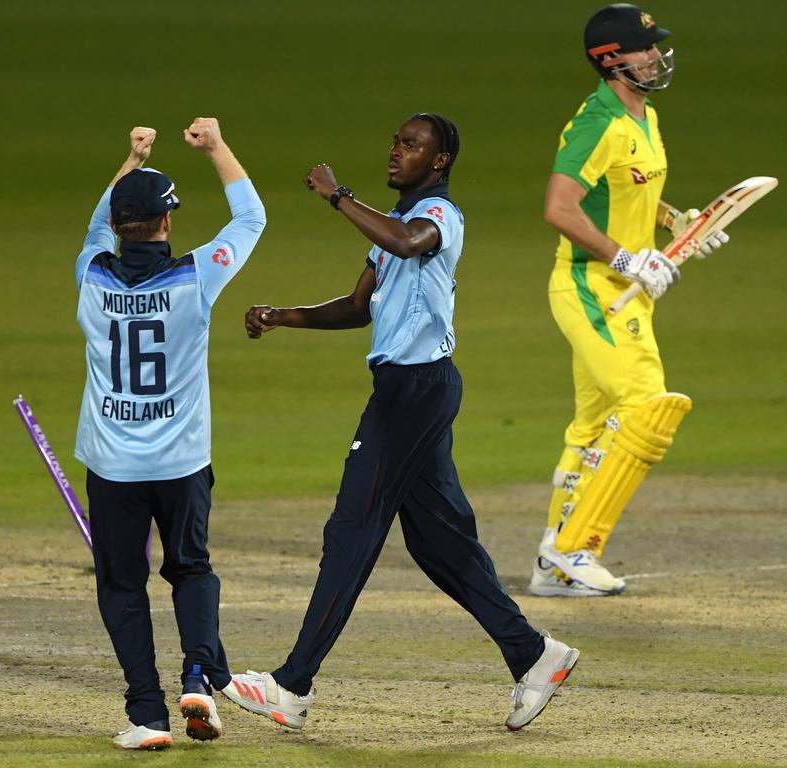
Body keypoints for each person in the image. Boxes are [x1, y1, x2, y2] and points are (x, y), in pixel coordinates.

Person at [223, 113, 579, 732]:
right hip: (412, 390)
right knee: (439, 543)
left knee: (352, 530)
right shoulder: (390, 229)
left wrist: (338, 196)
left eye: (412, 146)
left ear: (439, 162)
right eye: (395, 141)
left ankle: (290, 687)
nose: (397, 152)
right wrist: (284, 315)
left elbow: (408, 243)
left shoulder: (440, 216)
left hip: (414, 394)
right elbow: (358, 307)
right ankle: (533, 653)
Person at [74, 118, 266, 748]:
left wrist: (130, 159)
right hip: (183, 461)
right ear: (166, 224)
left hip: (111, 466)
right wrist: (216, 147)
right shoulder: (196, 276)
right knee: (191, 570)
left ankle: (146, 715)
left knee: (122, 584)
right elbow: (250, 220)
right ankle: (199, 679)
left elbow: (100, 222)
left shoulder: (91, 276)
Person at [529, 4, 728, 598]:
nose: (656, 55)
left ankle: (551, 567)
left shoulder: (645, 116)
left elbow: (630, 196)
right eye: (645, 48)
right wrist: (624, 258)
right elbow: (560, 208)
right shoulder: (598, 123)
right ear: (610, 60)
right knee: (648, 409)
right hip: (593, 288)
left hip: (631, 291)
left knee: (592, 428)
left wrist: (678, 223)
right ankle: (574, 548)